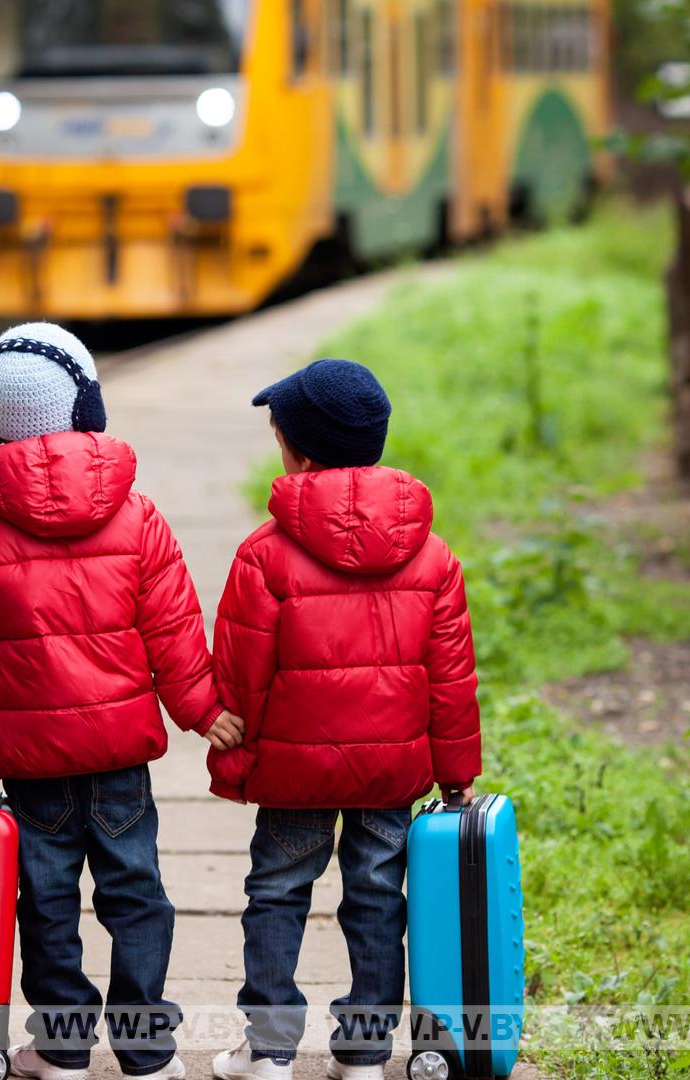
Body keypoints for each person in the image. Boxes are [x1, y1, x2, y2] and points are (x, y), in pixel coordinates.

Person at [0, 322, 244, 1080]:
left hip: (32, 766)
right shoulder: (138, 516)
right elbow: (171, 627)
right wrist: (202, 709)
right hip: (121, 756)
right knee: (136, 894)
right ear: (87, 405)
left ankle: (62, 1048)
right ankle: (146, 1051)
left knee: (47, 901)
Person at [206, 359, 481, 1080]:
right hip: (392, 772)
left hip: (295, 770)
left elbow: (239, 673)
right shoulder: (434, 556)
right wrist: (455, 775)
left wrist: (237, 754)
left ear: (296, 449)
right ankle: (363, 1053)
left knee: (276, 894)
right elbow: (451, 678)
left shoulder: (263, 555)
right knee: (375, 899)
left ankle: (267, 1052)